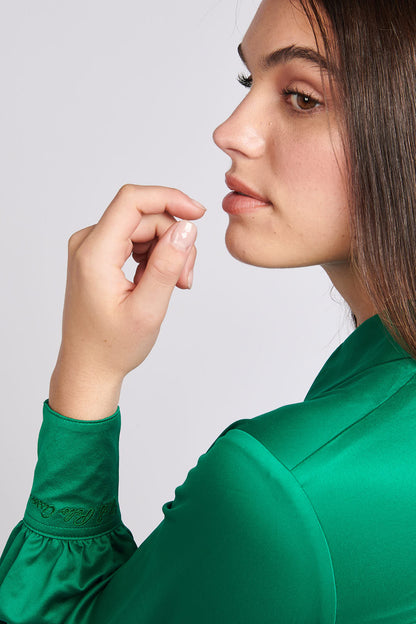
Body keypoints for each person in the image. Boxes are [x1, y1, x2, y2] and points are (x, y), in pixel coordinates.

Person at [1, 0, 416, 621]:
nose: (230, 130)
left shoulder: (287, 490)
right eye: (249, 81)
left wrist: (87, 373)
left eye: (303, 97)